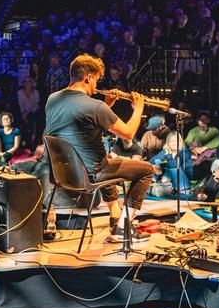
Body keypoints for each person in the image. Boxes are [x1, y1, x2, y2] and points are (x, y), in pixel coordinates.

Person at [43, 54, 152, 241]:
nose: (96, 86)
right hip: (90, 174)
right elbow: (128, 134)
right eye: (96, 80)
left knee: (105, 161)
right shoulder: (94, 106)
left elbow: (82, 128)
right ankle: (123, 227)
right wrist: (139, 108)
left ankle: (115, 215)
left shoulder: (52, 99)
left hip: (62, 173)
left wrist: (107, 106)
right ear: (88, 77)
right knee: (146, 170)